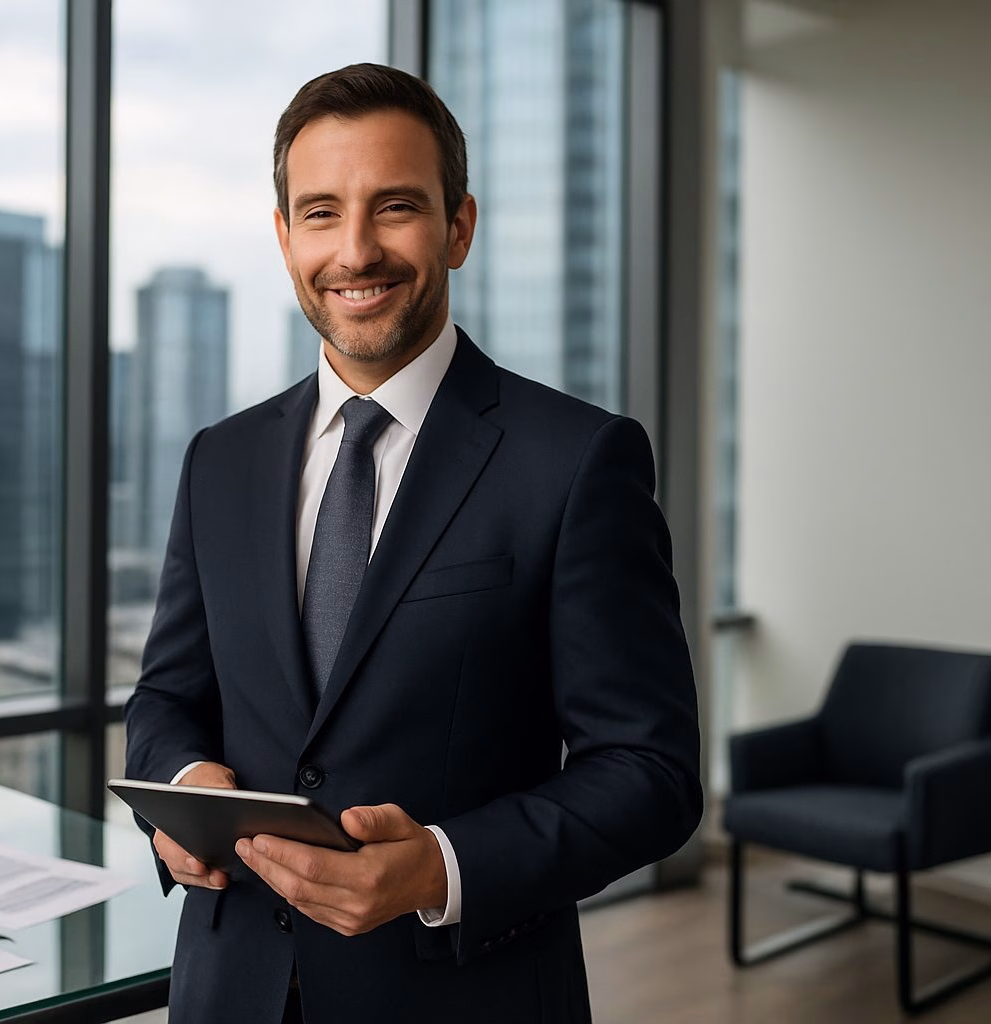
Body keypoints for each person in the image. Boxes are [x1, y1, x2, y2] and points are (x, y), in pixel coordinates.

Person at [124, 62, 701, 1024]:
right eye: (319, 213)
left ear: (458, 226)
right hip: (230, 992)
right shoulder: (219, 460)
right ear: (282, 237)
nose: (355, 250)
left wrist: (442, 865)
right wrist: (182, 792)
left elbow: (651, 773)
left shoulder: (578, 460)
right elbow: (167, 696)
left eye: (394, 207)